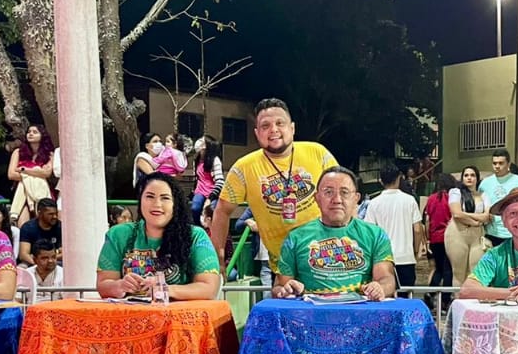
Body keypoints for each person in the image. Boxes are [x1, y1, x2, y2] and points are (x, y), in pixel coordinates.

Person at [209, 98, 337, 269]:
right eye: (265, 126)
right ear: (257, 133)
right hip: (283, 268)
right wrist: (218, 259)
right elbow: (222, 211)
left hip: (329, 259)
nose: (274, 130)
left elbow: (344, 197)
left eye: (280, 123)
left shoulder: (317, 153)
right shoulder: (243, 168)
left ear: (292, 128)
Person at [273, 167, 394, 299]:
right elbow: (279, 287)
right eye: (328, 192)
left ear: (356, 199)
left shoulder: (375, 235)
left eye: (344, 192)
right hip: (309, 311)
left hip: (360, 310)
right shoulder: (295, 238)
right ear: (317, 198)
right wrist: (286, 290)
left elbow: (386, 279)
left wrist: (380, 288)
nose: (337, 200)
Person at [96, 172, 221, 300]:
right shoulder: (118, 235)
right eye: (150, 196)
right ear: (140, 200)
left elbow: (209, 289)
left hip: (180, 312)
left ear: (175, 204)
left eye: (165, 198)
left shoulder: (195, 236)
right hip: (129, 311)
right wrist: (119, 286)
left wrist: (165, 289)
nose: (157, 204)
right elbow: (103, 284)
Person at [364, 165, 424, 289]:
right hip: (406, 258)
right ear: (399, 178)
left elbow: (369, 233)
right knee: (406, 296)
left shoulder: (374, 203)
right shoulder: (410, 200)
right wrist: (415, 251)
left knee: (385, 295)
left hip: (382, 260)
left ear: (381, 181)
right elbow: (417, 230)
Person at [445, 166, 488, 285]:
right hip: (457, 234)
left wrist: (466, 216)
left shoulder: (483, 195)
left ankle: (472, 295)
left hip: (477, 236)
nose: (469, 178)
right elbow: (456, 214)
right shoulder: (456, 192)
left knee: (475, 272)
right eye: (466, 175)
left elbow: (486, 216)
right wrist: (474, 221)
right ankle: (457, 296)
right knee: (458, 272)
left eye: (472, 175)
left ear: (477, 178)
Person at [8, 124, 56, 224]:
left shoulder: (49, 154)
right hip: (23, 194)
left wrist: (23, 170)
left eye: (35, 132)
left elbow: (47, 173)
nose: (30, 134)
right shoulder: (18, 152)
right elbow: (11, 174)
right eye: (29, 132)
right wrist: (37, 172)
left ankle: (15, 212)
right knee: (23, 225)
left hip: (40, 190)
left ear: (42, 135)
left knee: (43, 223)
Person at [478, 149, 518, 246]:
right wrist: (485, 214)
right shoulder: (485, 183)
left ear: (508, 164)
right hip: (492, 232)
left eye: (501, 163)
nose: (497, 166)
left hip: (514, 231)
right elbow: (479, 203)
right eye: (494, 163)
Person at [422, 174, 455, 291]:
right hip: (449, 238)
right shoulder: (452, 198)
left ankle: (430, 292)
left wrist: (428, 239)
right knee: (448, 269)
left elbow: (427, 221)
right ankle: (446, 297)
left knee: (439, 268)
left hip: (434, 238)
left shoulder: (431, 199)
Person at [18, 198, 61, 265]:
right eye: (50, 214)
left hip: (54, 262)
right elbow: (23, 255)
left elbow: (65, 253)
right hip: (33, 262)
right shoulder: (28, 228)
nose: (55, 217)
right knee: (21, 267)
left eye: (56, 213)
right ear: (39, 213)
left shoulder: (60, 227)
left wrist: (47, 260)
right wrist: (40, 265)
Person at [192, 135, 224, 222]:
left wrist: (210, 198)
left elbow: (220, 182)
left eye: (202, 141)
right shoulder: (197, 160)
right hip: (200, 191)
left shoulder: (214, 160)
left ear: (207, 146)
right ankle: (198, 227)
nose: (198, 142)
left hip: (213, 191)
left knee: (210, 212)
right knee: (195, 208)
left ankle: (210, 229)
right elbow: (197, 178)